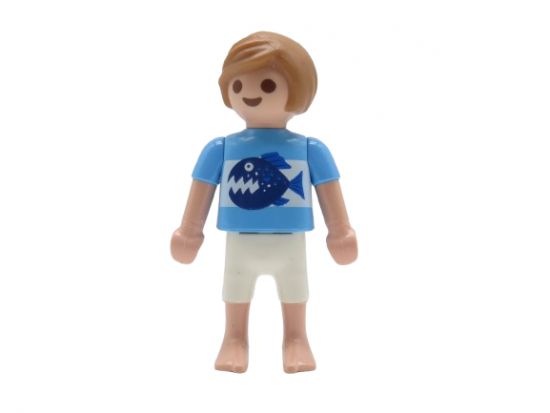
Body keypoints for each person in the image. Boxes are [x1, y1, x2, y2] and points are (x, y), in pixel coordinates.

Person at [171, 31, 357, 373]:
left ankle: (296, 338)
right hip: (240, 241)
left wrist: (340, 231)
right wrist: (189, 231)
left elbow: (329, 189)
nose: (250, 93)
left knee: (295, 288)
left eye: (268, 85)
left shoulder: (309, 149)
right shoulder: (221, 149)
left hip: (290, 242)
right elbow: (201, 189)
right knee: (236, 287)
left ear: (299, 91)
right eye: (239, 84)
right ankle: (234, 338)